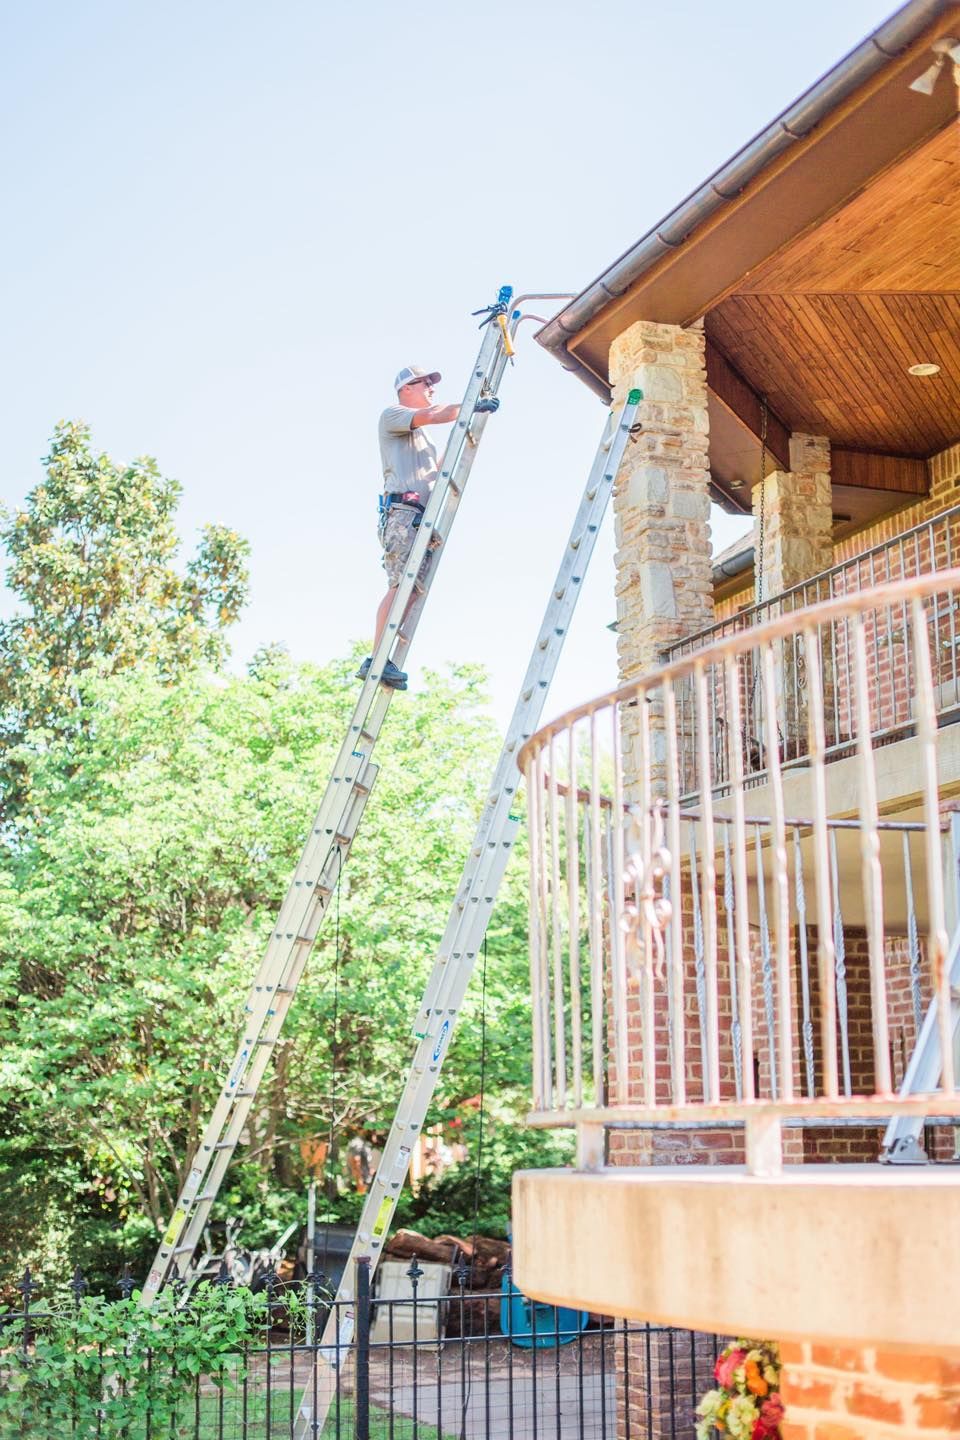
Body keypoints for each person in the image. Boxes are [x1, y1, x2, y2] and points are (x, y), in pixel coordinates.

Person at [356, 365, 499, 690]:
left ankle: (383, 657)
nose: (431, 389)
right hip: (402, 514)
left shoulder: (422, 438)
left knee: (410, 587)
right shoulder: (393, 415)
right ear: (406, 388)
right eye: (425, 383)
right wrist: (469, 407)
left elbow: (435, 471)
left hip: (420, 515)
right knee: (399, 583)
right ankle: (377, 658)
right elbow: (435, 414)